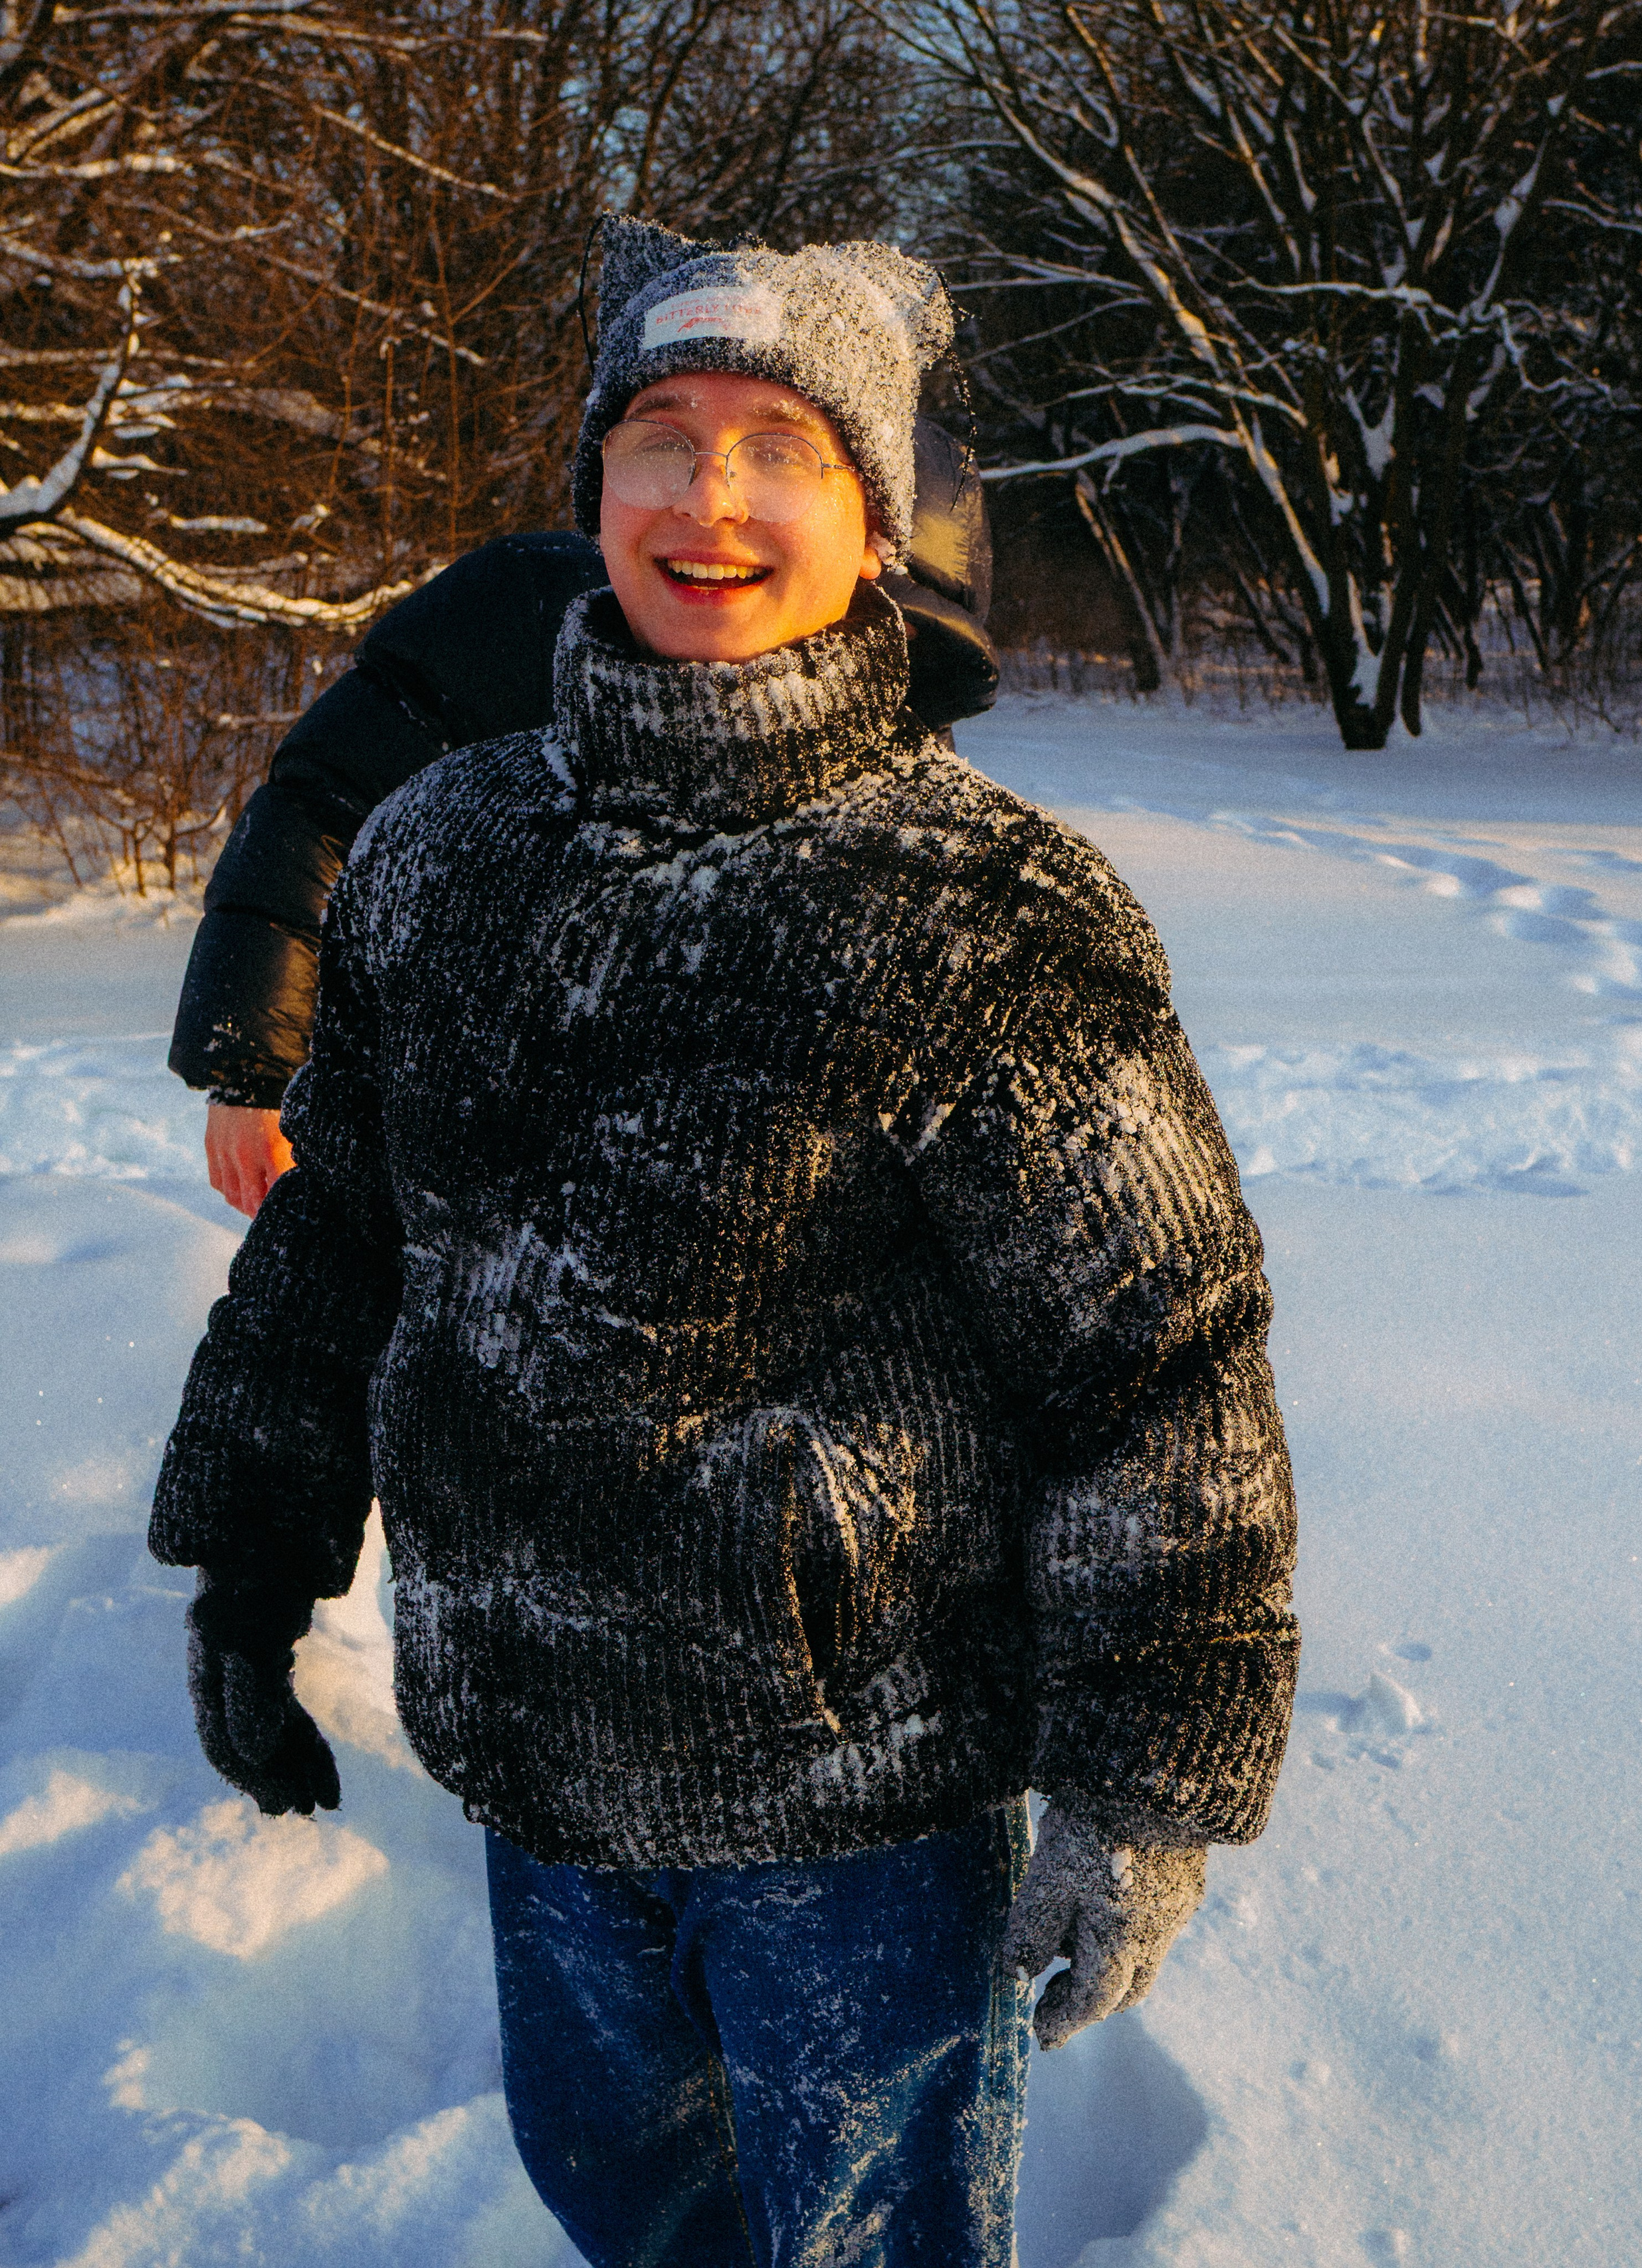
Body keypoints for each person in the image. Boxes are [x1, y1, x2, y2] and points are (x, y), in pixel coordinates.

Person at [150, 219, 1299, 2268]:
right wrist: (255, 1551)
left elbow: (1157, 1373)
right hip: (530, 1754)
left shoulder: (983, 908)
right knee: (617, 2189)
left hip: (856, 1811)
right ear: (589, 488)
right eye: (658, 434)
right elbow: (339, 1250)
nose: (708, 495)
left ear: (875, 519)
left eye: (783, 446)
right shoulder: (438, 852)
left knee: (866, 2242)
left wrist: (1143, 1788)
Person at [168, 410, 995, 1218]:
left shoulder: (917, 781)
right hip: (450, 1130)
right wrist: (256, 1065)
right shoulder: (521, 614)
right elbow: (323, 806)